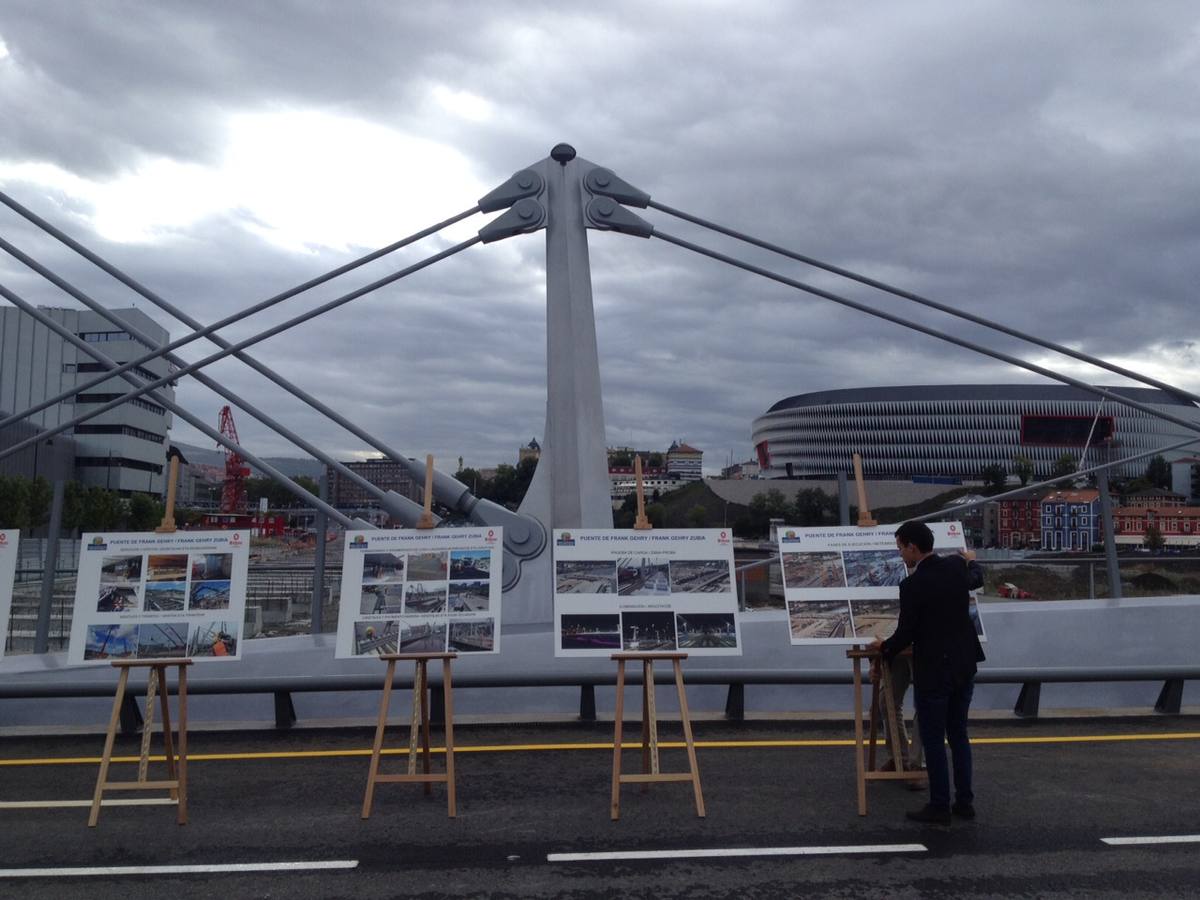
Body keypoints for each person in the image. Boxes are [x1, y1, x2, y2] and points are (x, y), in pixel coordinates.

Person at [871, 521, 985, 825]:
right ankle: (964, 802)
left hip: (934, 669)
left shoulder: (912, 585)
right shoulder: (954, 567)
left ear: (912, 546)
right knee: (958, 734)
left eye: (900, 548)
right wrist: (972, 559)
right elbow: (976, 577)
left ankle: (938, 805)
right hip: (964, 665)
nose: (900, 554)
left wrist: (883, 648)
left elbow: (906, 634)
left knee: (934, 739)